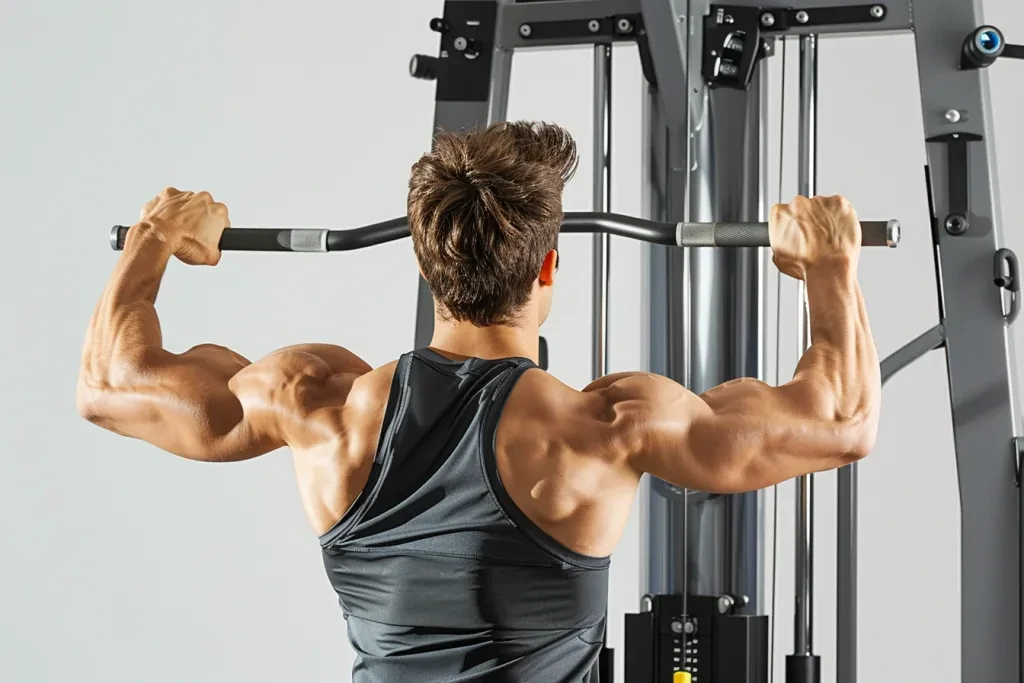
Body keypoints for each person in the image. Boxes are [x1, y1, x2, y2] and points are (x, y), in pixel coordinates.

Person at [77, 121, 881, 683]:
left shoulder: (314, 401)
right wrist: (830, 267)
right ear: (547, 270)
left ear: (426, 268)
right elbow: (841, 419)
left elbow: (112, 383)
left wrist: (155, 238)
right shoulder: (603, 428)